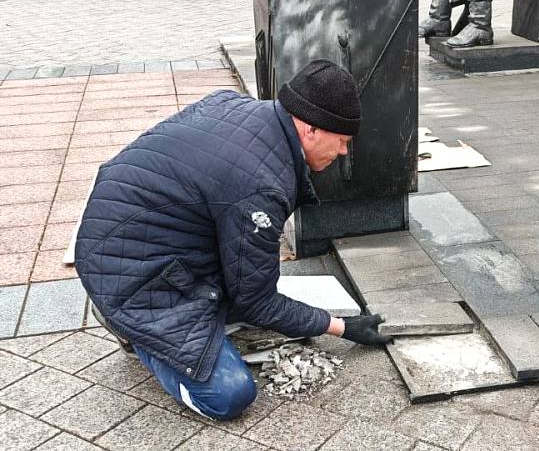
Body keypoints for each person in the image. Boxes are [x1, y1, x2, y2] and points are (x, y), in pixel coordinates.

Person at [75, 59, 391, 421]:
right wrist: (343, 327)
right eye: (343, 141)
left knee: (249, 289)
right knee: (229, 395)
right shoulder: (261, 186)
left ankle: (136, 316)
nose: (344, 152)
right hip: (132, 275)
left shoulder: (238, 107)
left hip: (130, 239)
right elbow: (258, 303)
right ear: (311, 129)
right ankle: (132, 330)